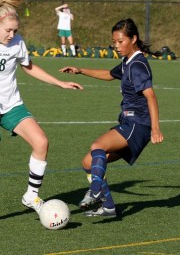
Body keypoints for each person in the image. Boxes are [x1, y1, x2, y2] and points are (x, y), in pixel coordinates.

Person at [0, 0, 83, 226]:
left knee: (41, 142)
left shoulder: (18, 42)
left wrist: (59, 82)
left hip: (11, 105)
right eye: (8, 31)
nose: (12, 35)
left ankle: (31, 195)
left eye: (15, 30)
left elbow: (29, 67)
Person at [59, 18, 164, 217]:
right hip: (129, 123)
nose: (116, 46)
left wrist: (156, 128)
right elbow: (109, 74)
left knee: (97, 146)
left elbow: (151, 96)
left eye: (120, 41)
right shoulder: (128, 61)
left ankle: (96, 190)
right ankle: (108, 206)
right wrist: (80, 70)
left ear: (134, 39)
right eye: (114, 42)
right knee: (88, 163)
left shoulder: (138, 65)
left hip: (138, 124)